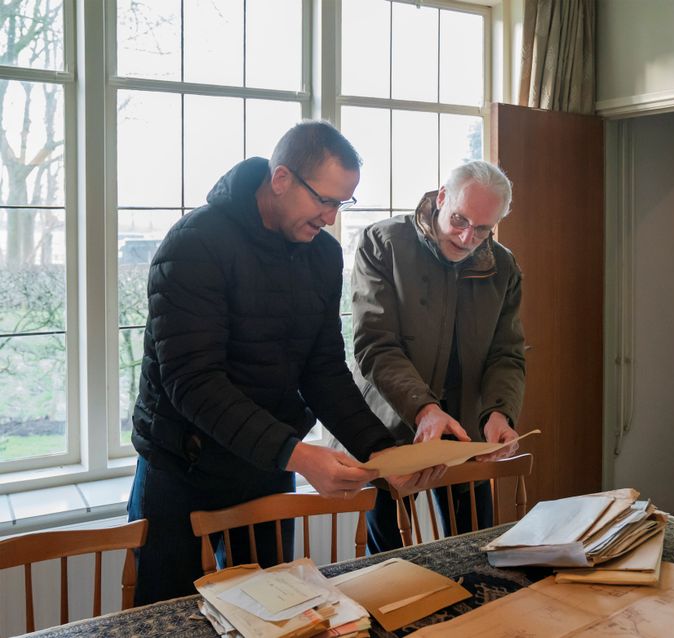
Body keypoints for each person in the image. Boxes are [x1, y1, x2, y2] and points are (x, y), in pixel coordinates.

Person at [127, 121, 442, 605]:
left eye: (342, 204)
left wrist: (380, 453)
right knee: (167, 619)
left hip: (265, 464)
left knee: (278, 615)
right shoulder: (195, 244)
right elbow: (193, 383)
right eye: (324, 200)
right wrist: (298, 454)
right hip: (180, 467)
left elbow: (322, 369)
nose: (331, 217)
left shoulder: (321, 256)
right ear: (280, 179)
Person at [348, 160, 526, 553]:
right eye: (460, 219)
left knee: (475, 550)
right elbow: (375, 345)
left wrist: (499, 411)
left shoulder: (503, 266)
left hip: (467, 434)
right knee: (392, 561)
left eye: (483, 229)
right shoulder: (384, 243)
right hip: (394, 425)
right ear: (441, 198)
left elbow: (506, 354)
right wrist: (423, 408)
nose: (466, 238)